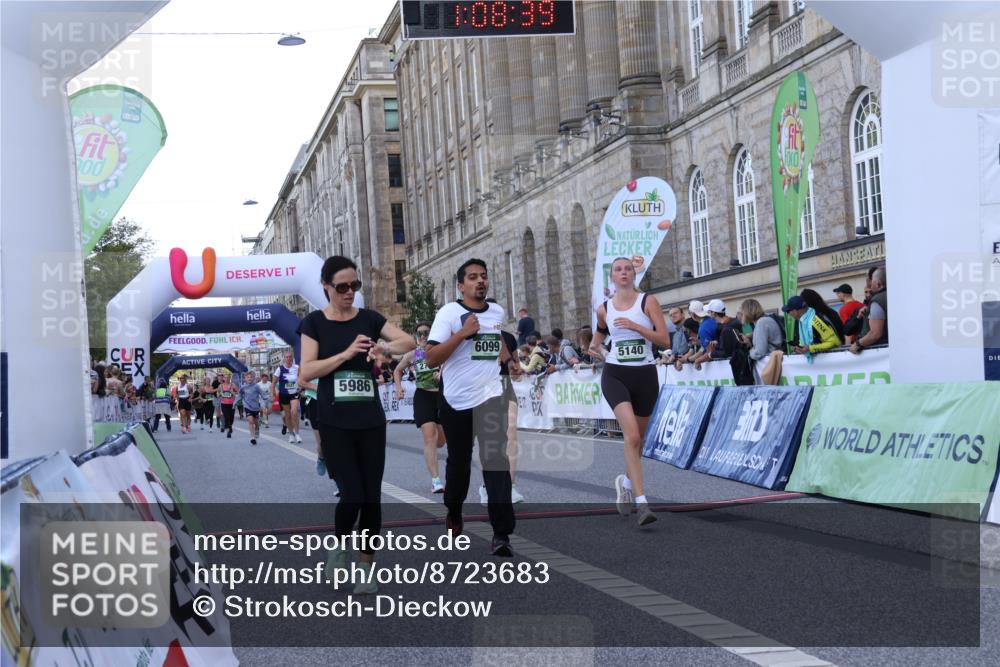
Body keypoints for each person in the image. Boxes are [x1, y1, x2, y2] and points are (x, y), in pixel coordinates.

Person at [299, 255, 415, 592]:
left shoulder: (368, 318)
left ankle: (366, 569)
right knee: (352, 495)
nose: (350, 292)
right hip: (334, 419)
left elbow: (407, 342)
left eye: (355, 285)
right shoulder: (314, 324)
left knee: (372, 498)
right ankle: (340, 544)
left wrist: (384, 348)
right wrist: (345, 354)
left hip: (369, 419)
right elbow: (306, 371)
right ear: (326, 286)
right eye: (342, 287)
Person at [426, 258, 518, 557]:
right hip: (457, 400)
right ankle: (453, 510)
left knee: (496, 462)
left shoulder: (496, 311)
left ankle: (501, 533)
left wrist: (508, 359)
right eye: (473, 277)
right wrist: (461, 334)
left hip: (491, 397)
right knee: (459, 463)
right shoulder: (449, 314)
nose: (480, 281)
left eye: (484, 276)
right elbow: (431, 359)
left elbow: (495, 340)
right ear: (461, 285)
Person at [588, 257, 670, 527]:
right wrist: (600, 350)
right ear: (611, 277)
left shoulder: (648, 301)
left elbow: (664, 339)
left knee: (639, 441)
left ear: (634, 274)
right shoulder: (604, 309)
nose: (623, 273)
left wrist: (636, 326)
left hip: (645, 375)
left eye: (627, 269)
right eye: (618, 270)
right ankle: (642, 502)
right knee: (631, 435)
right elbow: (595, 342)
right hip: (616, 375)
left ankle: (624, 482)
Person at [394, 322, 447, 494]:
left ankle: (436, 476)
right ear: (416, 338)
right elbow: (397, 371)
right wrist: (398, 387)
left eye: (426, 333)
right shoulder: (412, 355)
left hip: (441, 396)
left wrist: (442, 374)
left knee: (441, 441)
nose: (423, 336)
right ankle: (436, 480)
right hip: (423, 396)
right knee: (429, 436)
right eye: (420, 334)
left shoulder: (440, 351)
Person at [783, 295, 841, 362]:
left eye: (788, 311)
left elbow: (833, 341)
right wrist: (800, 348)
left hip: (831, 361)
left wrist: (810, 348)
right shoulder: (804, 320)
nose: (789, 313)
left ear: (795, 311)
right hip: (821, 362)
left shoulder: (815, 321)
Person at [299, 374, 334, 484]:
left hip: (332, 399)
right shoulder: (310, 359)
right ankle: (321, 458)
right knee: (322, 444)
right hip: (313, 399)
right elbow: (301, 382)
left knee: (335, 443)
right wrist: (318, 388)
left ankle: (338, 482)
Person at [739, 299, 784, 384]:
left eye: (742, 312)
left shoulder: (761, 322)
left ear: (747, 312)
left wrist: (750, 352)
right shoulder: (765, 320)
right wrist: (749, 344)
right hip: (772, 362)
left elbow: (759, 352)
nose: (742, 316)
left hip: (770, 365)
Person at [851, 267, 888, 353]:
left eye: (872, 282)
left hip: (876, 352)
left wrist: (857, 344)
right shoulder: (893, 295)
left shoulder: (877, 300)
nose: (870, 286)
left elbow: (875, 334)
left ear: (878, 284)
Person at [273, 351, 302, 443]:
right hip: (284, 394)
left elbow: (302, 378)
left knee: (294, 412)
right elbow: (273, 383)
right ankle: (291, 434)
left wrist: (301, 387)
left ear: (292, 358)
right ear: (284, 359)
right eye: (287, 357)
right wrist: (272, 393)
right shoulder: (280, 369)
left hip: (294, 393)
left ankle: (297, 433)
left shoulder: (297, 368)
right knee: (287, 415)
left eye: (290, 357)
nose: (288, 359)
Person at [238, 371, 267, 445]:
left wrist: (267, 398)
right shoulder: (243, 387)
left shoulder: (256, 386)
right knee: (250, 421)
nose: (249, 378)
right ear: (245, 379)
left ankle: (257, 429)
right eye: (248, 377)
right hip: (247, 406)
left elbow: (262, 394)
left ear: (253, 378)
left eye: (251, 377)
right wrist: (235, 403)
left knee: (256, 422)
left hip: (255, 407)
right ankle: (252, 437)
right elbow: (240, 395)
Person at [217, 373, 238, 438]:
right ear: (223, 379)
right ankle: (228, 431)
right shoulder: (221, 386)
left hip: (232, 404)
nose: (226, 379)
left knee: (231, 418)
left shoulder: (233, 385)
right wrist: (219, 394)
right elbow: (217, 392)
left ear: (230, 378)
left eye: (228, 377)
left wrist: (233, 392)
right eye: (225, 378)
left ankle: (230, 426)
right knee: (226, 417)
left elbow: (238, 392)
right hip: (224, 404)